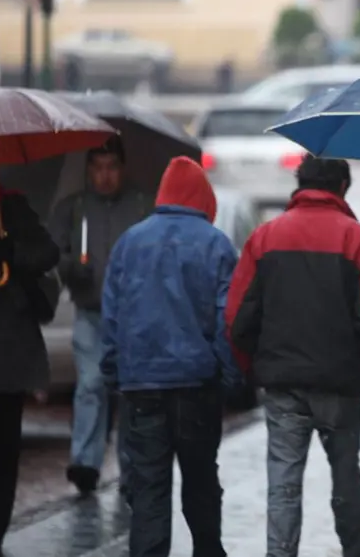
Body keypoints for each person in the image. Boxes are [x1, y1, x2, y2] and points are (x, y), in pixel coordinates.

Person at [225, 157, 360, 557]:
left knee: (283, 485)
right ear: (341, 187)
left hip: (282, 383)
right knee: (346, 483)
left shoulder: (265, 238)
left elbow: (237, 318)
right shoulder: (359, 241)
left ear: (300, 185)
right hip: (340, 383)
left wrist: (254, 367)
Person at [100, 156, 239, 557]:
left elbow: (112, 317)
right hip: (197, 384)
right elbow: (226, 318)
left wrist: (114, 372)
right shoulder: (215, 244)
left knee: (148, 489)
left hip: (141, 385)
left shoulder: (130, 242)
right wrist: (228, 375)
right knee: (200, 481)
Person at [0, 141, 60, 552]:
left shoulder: (11, 209)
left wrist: (15, 253)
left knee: (1, 448)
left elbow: (47, 252)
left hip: (7, 352)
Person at [48, 136, 152, 495]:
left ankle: (131, 465)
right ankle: (86, 462)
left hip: (132, 318)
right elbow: (52, 251)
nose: (104, 176)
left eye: (111, 167)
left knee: (128, 391)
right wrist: (69, 269)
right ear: (88, 170)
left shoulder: (141, 206)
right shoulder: (74, 208)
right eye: (97, 168)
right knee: (91, 385)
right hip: (90, 312)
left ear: (121, 169)